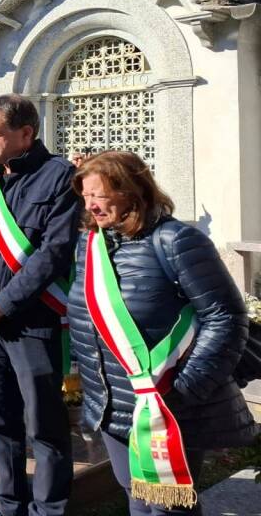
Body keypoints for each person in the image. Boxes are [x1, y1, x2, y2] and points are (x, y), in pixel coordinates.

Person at [70, 151, 257, 516]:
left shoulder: (176, 241)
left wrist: (183, 390)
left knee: (169, 508)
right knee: (137, 498)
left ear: (131, 191)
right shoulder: (92, 243)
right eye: (86, 196)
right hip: (115, 406)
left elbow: (226, 317)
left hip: (168, 405)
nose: (91, 205)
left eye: (100, 196)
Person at [0, 94, 80, 516]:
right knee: (0, 421)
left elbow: (54, 253)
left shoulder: (60, 177)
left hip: (33, 323)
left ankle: (49, 510)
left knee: (44, 426)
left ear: (25, 133)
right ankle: (11, 506)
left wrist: (3, 304)